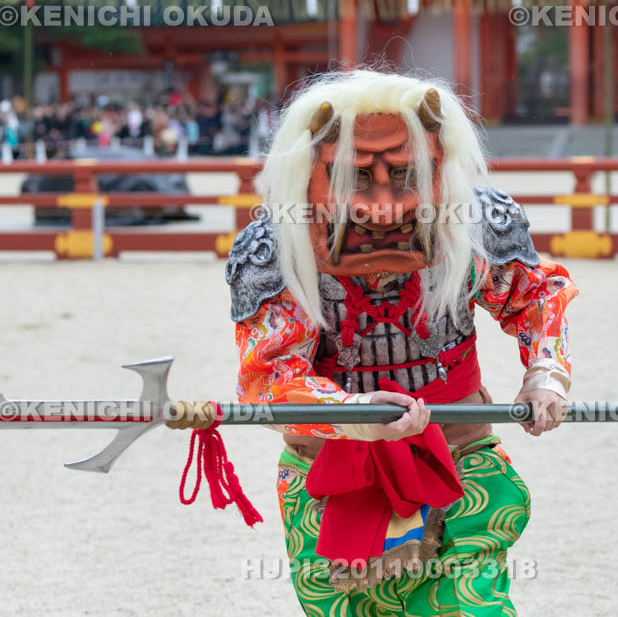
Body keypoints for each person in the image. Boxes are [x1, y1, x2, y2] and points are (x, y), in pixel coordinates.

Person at [225, 70, 577, 615]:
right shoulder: (276, 248)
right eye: (356, 179)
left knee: (469, 606)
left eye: (406, 174)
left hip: (460, 458)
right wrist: (354, 412)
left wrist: (545, 373)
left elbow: (537, 296)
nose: (383, 206)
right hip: (329, 470)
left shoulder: (476, 221)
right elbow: (272, 378)